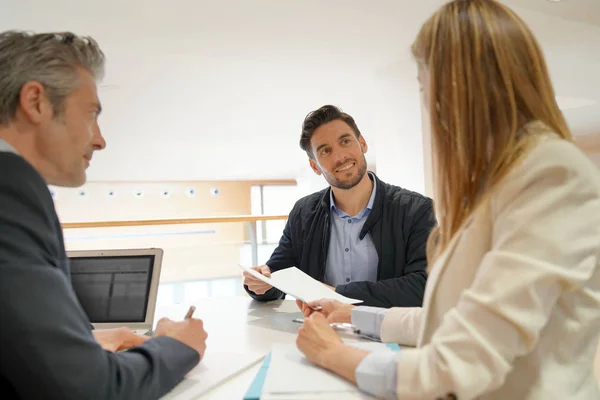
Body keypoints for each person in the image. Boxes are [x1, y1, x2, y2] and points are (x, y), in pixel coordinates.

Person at [294, 1, 600, 399]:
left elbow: (457, 366)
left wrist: (333, 354)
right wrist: (355, 315)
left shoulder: (549, 174)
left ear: (461, 86)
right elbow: (455, 319)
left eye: (424, 86)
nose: (427, 104)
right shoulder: (496, 180)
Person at [0, 31, 208, 399]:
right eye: (92, 114)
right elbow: (89, 389)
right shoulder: (10, 192)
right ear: (36, 102)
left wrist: (78, 340)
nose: (100, 139)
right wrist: (178, 345)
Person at [243, 105, 435, 308]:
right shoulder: (303, 212)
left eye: (345, 141)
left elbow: (424, 286)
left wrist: (337, 294)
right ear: (315, 166)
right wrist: (260, 283)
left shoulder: (417, 210)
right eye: (326, 151)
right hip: (320, 332)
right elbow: (277, 275)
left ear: (362, 143)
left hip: (388, 335)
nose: (340, 157)